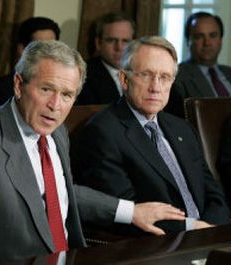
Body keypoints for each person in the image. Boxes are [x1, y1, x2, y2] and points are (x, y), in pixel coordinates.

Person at [0, 40, 186, 262]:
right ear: (19, 85)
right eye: (47, 90)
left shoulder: (55, 131)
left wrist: (130, 211)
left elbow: (59, 193)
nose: (56, 105)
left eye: (67, 95)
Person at [73, 36, 229, 236]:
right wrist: (192, 229)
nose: (156, 87)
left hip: (207, 236)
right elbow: (129, 212)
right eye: (146, 75)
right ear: (124, 79)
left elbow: (214, 194)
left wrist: (210, 230)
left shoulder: (181, 127)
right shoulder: (103, 132)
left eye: (165, 77)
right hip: (161, 244)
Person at [0, 17, 60, 111]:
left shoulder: (64, 89)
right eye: (40, 48)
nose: (48, 54)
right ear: (21, 50)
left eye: (52, 47)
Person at [168, 12, 231, 116]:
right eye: (199, 37)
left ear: (220, 40)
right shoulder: (176, 77)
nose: (207, 43)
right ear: (188, 41)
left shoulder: (228, 72)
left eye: (213, 35)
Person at [76, 12, 134, 105]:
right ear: (98, 43)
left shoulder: (141, 73)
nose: (119, 48)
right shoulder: (84, 75)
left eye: (125, 41)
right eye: (111, 40)